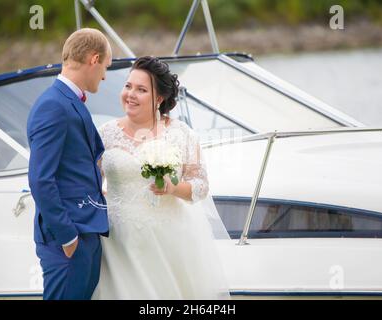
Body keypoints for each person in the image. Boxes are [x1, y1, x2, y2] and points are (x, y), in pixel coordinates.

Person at [93, 56, 230, 299]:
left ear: (159, 99)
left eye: (141, 89)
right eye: (128, 86)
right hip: (117, 243)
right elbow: (88, 182)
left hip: (168, 241)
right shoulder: (105, 134)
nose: (130, 94)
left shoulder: (181, 134)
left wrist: (172, 188)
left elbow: (201, 186)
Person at [27, 28, 112, 300]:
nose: (105, 76)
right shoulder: (53, 105)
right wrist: (68, 238)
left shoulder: (69, 101)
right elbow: (41, 179)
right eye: (105, 67)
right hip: (67, 239)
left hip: (86, 232)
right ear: (94, 59)